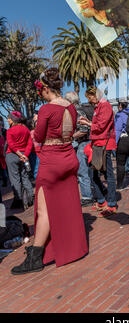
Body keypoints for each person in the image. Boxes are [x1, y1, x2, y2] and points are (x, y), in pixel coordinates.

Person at [11, 68, 88, 275]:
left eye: (41, 91)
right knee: (68, 205)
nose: (41, 95)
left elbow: (41, 135)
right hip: (68, 158)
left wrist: (36, 126)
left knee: (43, 210)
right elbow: (70, 132)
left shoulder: (46, 109)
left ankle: (36, 256)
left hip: (52, 161)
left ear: (45, 89)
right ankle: (71, 248)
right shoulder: (70, 107)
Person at [80, 86, 118, 217]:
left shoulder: (105, 106)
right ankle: (102, 201)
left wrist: (88, 124)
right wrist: (88, 122)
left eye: (90, 98)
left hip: (104, 145)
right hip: (97, 144)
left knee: (108, 175)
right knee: (94, 174)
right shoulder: (99, 107)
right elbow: (100, 124)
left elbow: (101, 126)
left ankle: (111, 204)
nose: (90, 101)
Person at [64, 91, 94, 206]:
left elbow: (83, 130)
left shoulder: (76, 111)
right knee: (89, 171)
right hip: (88, 142)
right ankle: (96, 192)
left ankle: (87, 197)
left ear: (69, 101)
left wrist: (71, 137)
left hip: (83, 143)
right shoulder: (81, 109)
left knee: (82, 172)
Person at [5, 111, 34, 209]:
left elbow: (11, 144)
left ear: (13, 120)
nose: (7, 120)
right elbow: (30, 144)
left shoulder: (10, 131)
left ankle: (19, 200)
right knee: (25, 177)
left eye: (8, 118)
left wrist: (19, 154)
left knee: (15, 179)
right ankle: (31, 198)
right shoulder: (26, 129)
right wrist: (25, 155)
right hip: (24, 156)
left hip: (12, 156)